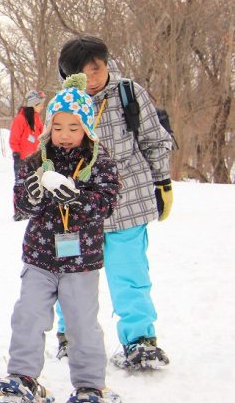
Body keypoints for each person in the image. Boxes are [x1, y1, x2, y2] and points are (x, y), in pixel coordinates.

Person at [0, 73, 121, 403]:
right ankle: (22, 375)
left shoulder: (100, 163)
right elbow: (20, 205)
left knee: (81, 322)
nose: (64, 135)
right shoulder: (36, 161)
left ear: (87, 128)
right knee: (28, 315)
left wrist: (76, 196)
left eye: (73, 128)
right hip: (40, 257)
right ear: (48, 127)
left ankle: (91, 384)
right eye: (58, 127)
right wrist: (31, 195)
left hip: (82, 260)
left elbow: (105, 204)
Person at [55, 35, 173, 369]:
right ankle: (71, 337)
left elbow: (154, 140)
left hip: (127, 201)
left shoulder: (128, 93)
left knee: (130, 273)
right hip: (76, 209)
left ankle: (140, 341)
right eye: (81, 73)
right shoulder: (62, 105)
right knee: (73, 275)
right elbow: (48, 155)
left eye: (96, 70)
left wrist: (162, 183)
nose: (91, 80)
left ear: (106, 65)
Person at [10, 90, 46, 221]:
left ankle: (31, 207)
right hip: (22, 158)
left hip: (36, 157)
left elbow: (42, 136)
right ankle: (19, 210)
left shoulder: (37, 119)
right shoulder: (20, 119)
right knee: (20, 184)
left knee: (34, 182)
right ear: (34, 104)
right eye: (40, 104)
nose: (42, 107)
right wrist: (16, 153)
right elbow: (14, 138)